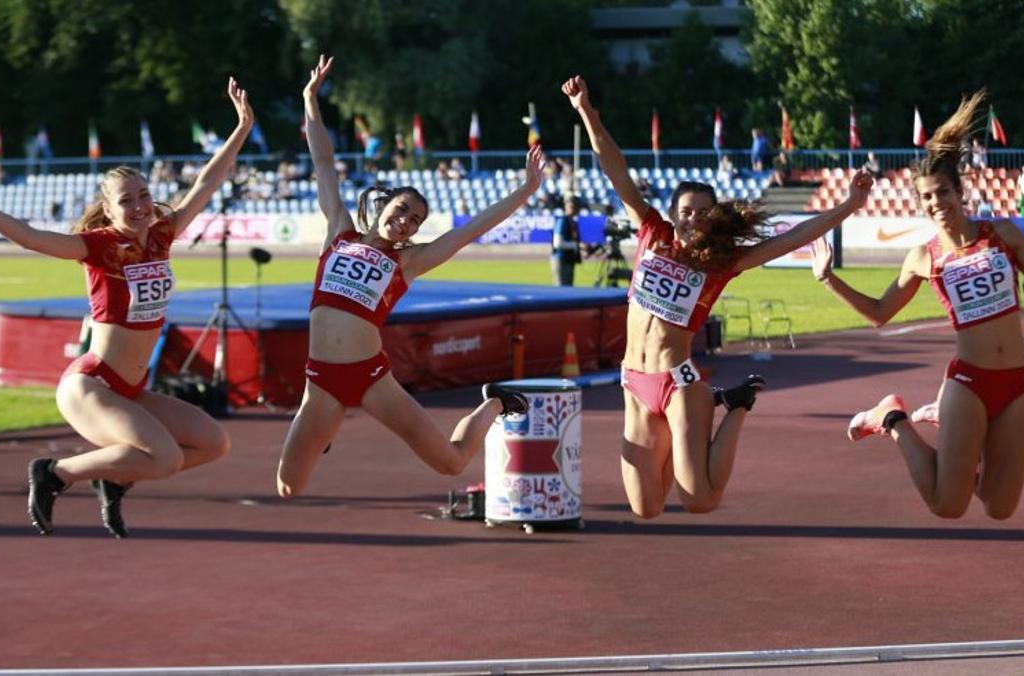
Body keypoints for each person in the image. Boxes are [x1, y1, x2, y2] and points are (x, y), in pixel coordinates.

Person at [0, 78, 254, 537]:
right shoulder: (98, 247)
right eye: (127, 201)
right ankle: (54, 472)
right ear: (109, 209)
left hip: (132, 389)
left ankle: (115, 477)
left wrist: (241, 128)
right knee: (165, 458)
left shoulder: (163, 235)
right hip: (92, 386)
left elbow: (207, 181)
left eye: (144, 195)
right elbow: (31, 237)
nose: (141, 206)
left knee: (213, 443)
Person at [563, 74, 873, 518]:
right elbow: (615, 168)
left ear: (713, 219)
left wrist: (847, 207)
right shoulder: (652, 232)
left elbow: (791, 238)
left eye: (702, 214)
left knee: (700, 501)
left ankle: (736, 405)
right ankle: (697, 425)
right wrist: (586, 112)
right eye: (685, 212)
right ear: (673, 214)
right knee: (646, 507)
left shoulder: (721, 263)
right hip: (634, 379)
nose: (692, 220)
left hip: (678, 383)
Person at [809, 90, 1024, 520]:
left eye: (942, 191)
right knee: (948, 504)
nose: (936, 203)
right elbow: (880, 313)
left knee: (1000, 507)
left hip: (1018, 381)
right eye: (926, 197)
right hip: (968, 382)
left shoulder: (1001, 234)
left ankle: (954, 442)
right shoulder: (924, 257)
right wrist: (828, 278)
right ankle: (894, 420)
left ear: (960, 191)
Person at [277, 55, 546, 498]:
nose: (406, 222)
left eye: (415, 220)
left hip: (371, 376)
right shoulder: (338, 233)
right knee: (289, 486)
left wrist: (526, 190)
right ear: (382, 206)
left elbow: (470, 230)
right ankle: (324, 430)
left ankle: (494, 402)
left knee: (451, 463)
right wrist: (310, 100)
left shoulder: (407, 262)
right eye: (401, 210)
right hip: (320, 378)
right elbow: (324, 162)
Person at [552, 197, 582, 286]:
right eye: (572, 206)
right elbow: (557, 243)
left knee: (569, 288)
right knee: (562, 289)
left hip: (569, 259)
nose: (575, 208)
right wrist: (575, 245)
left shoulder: (574, 222)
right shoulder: (562, 221)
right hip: (561, 259)